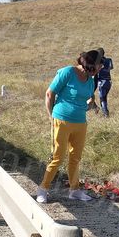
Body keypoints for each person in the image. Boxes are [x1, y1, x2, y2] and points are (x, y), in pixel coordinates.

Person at [37, 50, 102, 203]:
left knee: (75, 157)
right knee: (57, 157)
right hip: (61, 120)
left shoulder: (90, 80)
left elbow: (89, 99)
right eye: (99, 66)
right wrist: (51, 117)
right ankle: (43, 189)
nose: (100, 69)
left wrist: (90, 104)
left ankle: (74, 190)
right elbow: (49, 94)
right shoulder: (67, 72)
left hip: (80, 123)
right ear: (90, 64)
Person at [92, 47, 113, 117]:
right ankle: (103, 111)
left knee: (102, 98)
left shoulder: (97, 61)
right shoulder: (109, 60)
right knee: (104, 97)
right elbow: (111, 67)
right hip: (109, 81)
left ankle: (105, 113)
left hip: (101, 82)